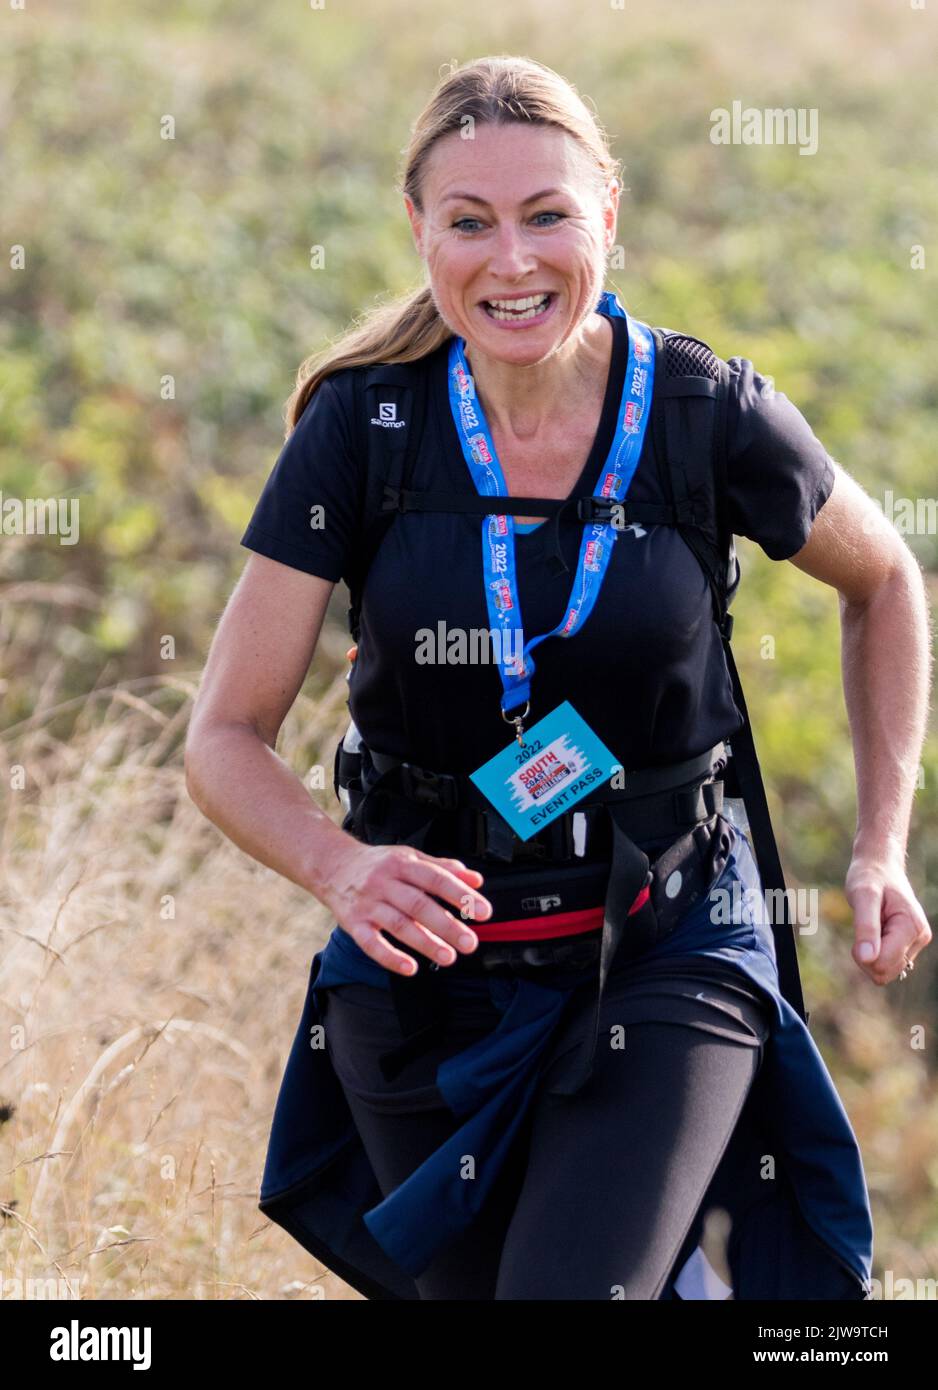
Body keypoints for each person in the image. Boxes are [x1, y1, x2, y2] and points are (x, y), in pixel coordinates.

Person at [184, 56, 933, 1301]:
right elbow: (224, 736)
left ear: (609, 215)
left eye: (548, 216)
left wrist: (876, 843)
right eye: (468, 222)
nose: (511, 261)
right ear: (416, 229)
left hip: (664, 937)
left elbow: (884, 584)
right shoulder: (362, 432)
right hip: (431, 973)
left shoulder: (704, 411)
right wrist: (341, 865)